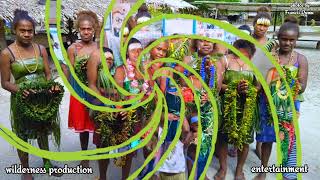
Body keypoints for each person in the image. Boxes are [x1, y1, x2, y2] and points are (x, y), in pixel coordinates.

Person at [0, 9, 63, 180]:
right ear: (15, 30)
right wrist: (21, 90)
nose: (27, 34)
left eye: (30, 30)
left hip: (43, 98)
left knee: (42, 131)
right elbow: (5, 82)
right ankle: (25, 169)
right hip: (22, 100)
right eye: (23, 30)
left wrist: (50, 87)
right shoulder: (7, 54)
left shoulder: (41, 48)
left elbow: (49, 74)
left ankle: (48, 164)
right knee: (22, 134)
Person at [255, 17, 308, 180]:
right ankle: (263, 171)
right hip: (268, 104)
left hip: (290, 106)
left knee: (287, 140)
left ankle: (287, 174)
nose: (287, 43)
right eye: (284, 39)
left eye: (291, 40)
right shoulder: (269, 56)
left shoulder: (300, 59)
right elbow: (258, 82)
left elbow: (303, 85)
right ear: (278, 38)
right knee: (267, 139)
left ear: (296, 40)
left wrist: (286, 84)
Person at [215, 39, 259, 180]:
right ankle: (223, 168)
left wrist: (250, 90)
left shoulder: (254, 64)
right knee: (222, 138)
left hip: (247, 106)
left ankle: (239, 169)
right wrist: (234, 88)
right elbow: (217, 85)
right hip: (226, 106)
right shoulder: (224, 61)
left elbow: (259, 86)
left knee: (245, 139)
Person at [67, 10, 99, 167]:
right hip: (80, 92)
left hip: (96, 91)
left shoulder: (99, 47)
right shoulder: (73, 49)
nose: (86, 32)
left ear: (93, 30)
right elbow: (70, 73)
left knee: (100, 123)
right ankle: (85, 156)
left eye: (89, 29)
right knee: (84, 128)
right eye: (83, 29)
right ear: (78, 30)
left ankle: (102, 155)